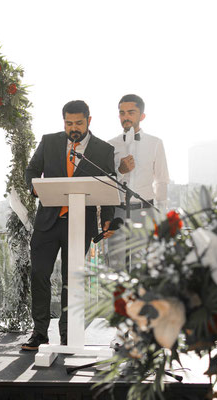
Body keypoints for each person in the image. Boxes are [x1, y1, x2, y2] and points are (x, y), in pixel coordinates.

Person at [22, 100, 116, 351]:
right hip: (47, 222)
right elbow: (31, 169)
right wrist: (36, 188)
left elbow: (108, 185)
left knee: (70, 280)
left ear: (89, 120)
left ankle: (67, 334)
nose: (73, 128)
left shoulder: (103, 150)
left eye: (78, 123)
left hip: (80, 224)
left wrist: (108, 217)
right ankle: (40, 333)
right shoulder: (49, 141)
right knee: (39, 275)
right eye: (68, 123)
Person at [107, 94, 170, 269]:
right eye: (122, 112)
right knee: (116, 267)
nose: (125, 117)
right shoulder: (110, 145)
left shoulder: (155, 143)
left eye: (131, 112)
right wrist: (120, 171)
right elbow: (106, 181)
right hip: (118, 212)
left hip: (146, 213)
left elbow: (161, 181)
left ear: (141, 116)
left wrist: (161, 218)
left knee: (143, 268)